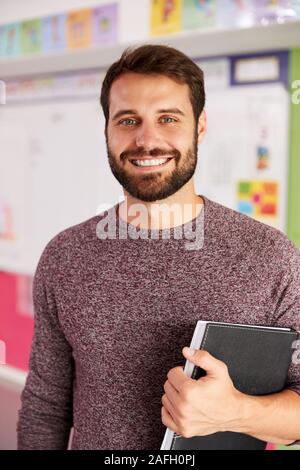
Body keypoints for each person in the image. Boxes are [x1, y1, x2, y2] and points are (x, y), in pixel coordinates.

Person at [17, 45, 300, 450]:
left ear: (199, 127)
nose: (146, 140)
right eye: (128, 120)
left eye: (168, 118)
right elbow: (45, 407)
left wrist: (237, 411)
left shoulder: (272, 258)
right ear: (107, 132)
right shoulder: (64, 256)